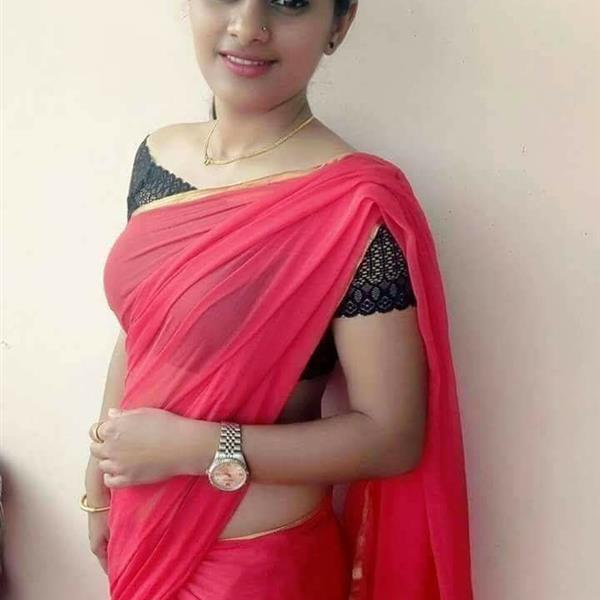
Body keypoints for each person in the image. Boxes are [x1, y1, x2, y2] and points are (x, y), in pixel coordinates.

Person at [81, 1, 474, 598]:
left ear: (339, 23)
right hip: (139, 535)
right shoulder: (156, 158)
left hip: (254, 570)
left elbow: (391, 437)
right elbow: (145, 329)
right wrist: (100, 474)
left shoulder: (355, 207)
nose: (247, 26)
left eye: (289, 1)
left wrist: (193, 449)